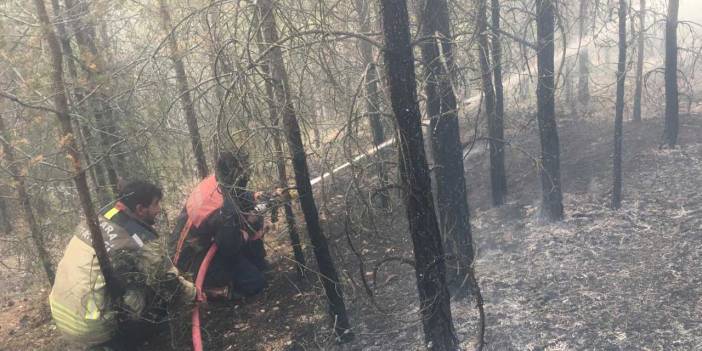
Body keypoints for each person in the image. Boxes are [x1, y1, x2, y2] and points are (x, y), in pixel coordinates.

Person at [49, 180, 198, 350]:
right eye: (155, 204)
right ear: (140, 209)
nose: (158, 210)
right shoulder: (140, 237)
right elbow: (165, 279)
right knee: (157, 292)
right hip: (93, 326)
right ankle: (141, 341)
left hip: (62, 315)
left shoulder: (101, 215)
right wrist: (193, 293)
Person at [170, 151, 270, 300]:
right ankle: (216, 291)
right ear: (235, 175)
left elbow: (238, 195)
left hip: (204, 245)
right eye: (244, 173)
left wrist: (257, 197)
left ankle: (257, 264)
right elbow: (230, 246)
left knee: (254, 266)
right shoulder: (219, 208)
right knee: (255, 283)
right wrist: (247, 229)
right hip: (193, 264)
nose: (248, 176)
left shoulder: (217, 181)